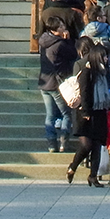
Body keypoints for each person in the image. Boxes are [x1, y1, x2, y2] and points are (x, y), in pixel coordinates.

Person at [66, 39, 110, 188]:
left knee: (97, 144)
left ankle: (93, 176)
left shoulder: (103, 72)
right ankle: (73, 166)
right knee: (86, 144)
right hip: (85, 112)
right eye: (104, 56)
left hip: (100, 111)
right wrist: (85, 111)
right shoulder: (86, 71)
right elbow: (84, 92)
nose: (106, 59)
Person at [37, 15, 76, 153]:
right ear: (54, 30)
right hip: (56, 83)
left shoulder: (43, 41)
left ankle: (51, 143)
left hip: (44, 82)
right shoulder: (60, 44)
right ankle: (63, 142)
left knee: (50, 115)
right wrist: (68, 40)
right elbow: (73, 54)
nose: (63, 27)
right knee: (66, 113)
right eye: (60, 26)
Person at [81, 5, 110, 90]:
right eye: (104, 15)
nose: (106, 18)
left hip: (91, 66)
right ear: (99, 18)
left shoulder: (84, 32)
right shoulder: (109, 29)